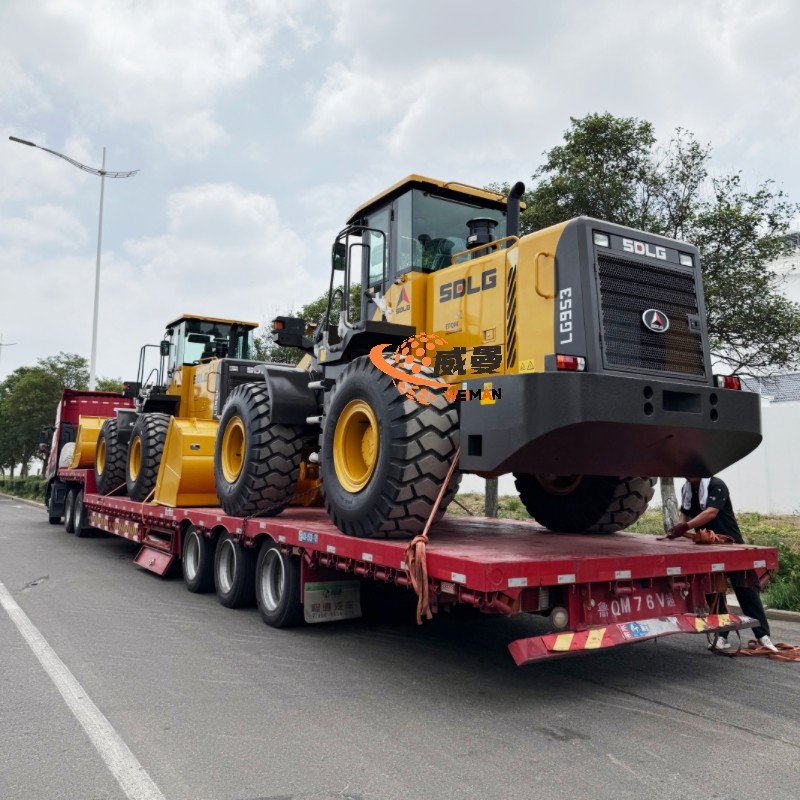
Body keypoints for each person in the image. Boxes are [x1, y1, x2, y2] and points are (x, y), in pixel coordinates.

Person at [671, 476, 778, 653]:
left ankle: (762, 636)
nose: (687, 475)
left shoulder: (716, 485)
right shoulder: (687, 489)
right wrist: (677, 529)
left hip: (731, 545)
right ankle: (721, 636)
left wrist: (686, 526)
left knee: (746, 591)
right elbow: (686, 513)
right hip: (707, 548)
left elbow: (711, 512)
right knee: (714, 594)